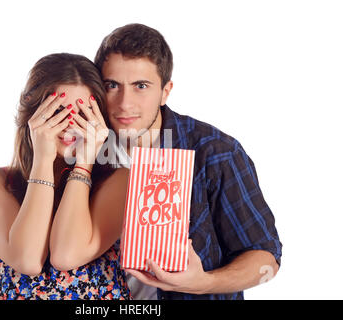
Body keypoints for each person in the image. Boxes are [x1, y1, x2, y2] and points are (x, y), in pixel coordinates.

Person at [59, 23, 282, 300]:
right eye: (112, 85)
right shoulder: (81, 146)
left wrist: (203, 282)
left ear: (166, 91)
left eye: (141, 86)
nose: (125, 103)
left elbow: (266, 260)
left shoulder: (215, 152)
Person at [0, 53, 131, 300]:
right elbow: (28, 260)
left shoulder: (118, 182)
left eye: (84, 113)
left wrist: (85, 163)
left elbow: (66, 255)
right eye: (58, 111)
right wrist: (43, 160)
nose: (70, 124)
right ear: (33, 112)